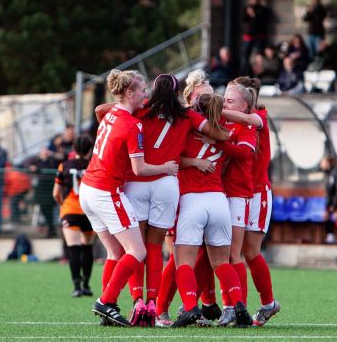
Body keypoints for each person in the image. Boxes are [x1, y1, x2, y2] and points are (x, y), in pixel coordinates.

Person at [96, 72, 228, 327]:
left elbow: (101, 111)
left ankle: (137, 301)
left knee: (135, 248)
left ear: (154, 91)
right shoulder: (186, 114)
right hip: (167, 182)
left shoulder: (142, 108)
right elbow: (220, 135)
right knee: (155, 247)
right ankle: (154, 305)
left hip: (138, 180)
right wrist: (212, 134)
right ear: (178, 91)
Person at [79, 69, 179, 327]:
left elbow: (102, 108)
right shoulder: (131, 123)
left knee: (115, 252)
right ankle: (106, 301)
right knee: (137, 250)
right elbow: (140, 169)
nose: (146, 94)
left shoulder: (112, 114)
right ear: (129, 92)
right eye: (142, 90)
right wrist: (166, 168)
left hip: (88, 189)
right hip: (105, 191)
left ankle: (107, 311)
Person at [172, 93, 252, 328]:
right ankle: (239, 305)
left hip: (192, 200)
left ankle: (189, 308)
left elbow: (174, 158)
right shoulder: (223, 134)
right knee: (221, 262)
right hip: (218, 200)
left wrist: (193, 162)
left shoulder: (188, 129)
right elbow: (229, 147)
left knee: (183, 262)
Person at [222, 77, 280, 327]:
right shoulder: (232, 121)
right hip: (236, 192)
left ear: (247, 101)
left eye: (230, 99)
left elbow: (249, 121)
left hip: (257, 193)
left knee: (248, 251)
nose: (225, 102)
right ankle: (235, 305)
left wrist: (215, 109)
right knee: (232, 251)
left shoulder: (259, 117)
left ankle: (265, 303)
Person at [53, 135, 95, 297]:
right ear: (90, 149)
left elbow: (56, 193)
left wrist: (62, 203)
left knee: (73, 248)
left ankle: (76, 287)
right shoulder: (93, 165)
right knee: (87, 247)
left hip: (70, 209)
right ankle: (86, 285)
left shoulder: (64, 166)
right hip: (90, 211)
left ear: (74, 148)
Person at [28, 148, 59, 238]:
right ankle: (50, 228)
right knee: (44, 210)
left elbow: (54, 165)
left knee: (50, 210)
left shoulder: (52, 161)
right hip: (41, 190)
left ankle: (51, 229)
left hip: (49, 189)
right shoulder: (37, 161)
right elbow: (29, 166)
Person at [241, 0, 271, 74]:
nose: (255, 0)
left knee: (260, 57)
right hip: (249, 36)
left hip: (260, 36)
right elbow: (243, 20)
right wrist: (248, 13)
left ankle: (259, 74)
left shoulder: (263, 9)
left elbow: (263, 21)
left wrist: (253, 14)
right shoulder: (247, 8)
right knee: (245, 56)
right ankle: (245, 73)